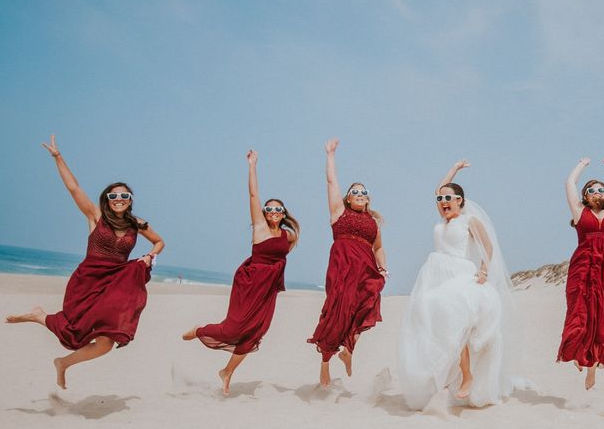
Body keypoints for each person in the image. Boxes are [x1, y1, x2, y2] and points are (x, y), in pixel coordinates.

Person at [6, 135, 165, 390]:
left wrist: (149, 256)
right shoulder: (96, 216)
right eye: (114, 196)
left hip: (114, 283)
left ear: (130, 199)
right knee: (74, 331)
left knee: (106, 343)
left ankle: (63, 363)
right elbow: (74, 188)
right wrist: (58, 158)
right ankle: (39, 317)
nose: (119, 199)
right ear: (107, 200)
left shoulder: (139, 224)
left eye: (124, 195)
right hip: (88, 280)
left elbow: (159, 242)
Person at [398, 160, 515, 409]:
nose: (442, 202)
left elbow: (489, 246)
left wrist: (484, 271)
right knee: (431, 325)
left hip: (459, 274)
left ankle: (467, 375)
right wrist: (454, 168)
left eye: (448, 198)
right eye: (440, 199)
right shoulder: (443, 222)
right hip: (433, 275)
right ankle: (442, 379)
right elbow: (440, 189)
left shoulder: (469, 221)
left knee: (456, 325)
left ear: (460, 200)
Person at [182, 150, 299, 396]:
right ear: (264, 212)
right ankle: (200, 330)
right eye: (269, 209)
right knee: (233, 328)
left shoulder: (288, 236)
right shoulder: (259, 226)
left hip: (267, 289)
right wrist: (252, 165)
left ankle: (227, 372)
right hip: (249, 282)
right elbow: (253, 194)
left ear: (284, 213)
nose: (273, 212)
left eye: (278, 210)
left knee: (256, 332)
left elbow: (279, 260)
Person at [308, 138, 386, 387]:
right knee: (337, 313)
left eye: (364, 192)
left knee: (365, 306)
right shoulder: (338, 214)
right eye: (356, 192)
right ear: (348, 198)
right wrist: (330, 155)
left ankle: (348, 351)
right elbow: (331, 182)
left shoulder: (373, 222)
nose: (360, 195)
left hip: (365, 270)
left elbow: (379, 247)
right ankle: (325, 365)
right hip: (342, 269)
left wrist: (382, 267)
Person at [557, 156, 604, 390]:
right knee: (580, 314)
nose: (598, 193)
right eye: (593, 190)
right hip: (582, 270)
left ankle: (592, 368)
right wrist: (582, 165)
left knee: (602, 316)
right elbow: (569, 184)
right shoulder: (579, 212)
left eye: (601, 190)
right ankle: (578, 354)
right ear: (585, 196)